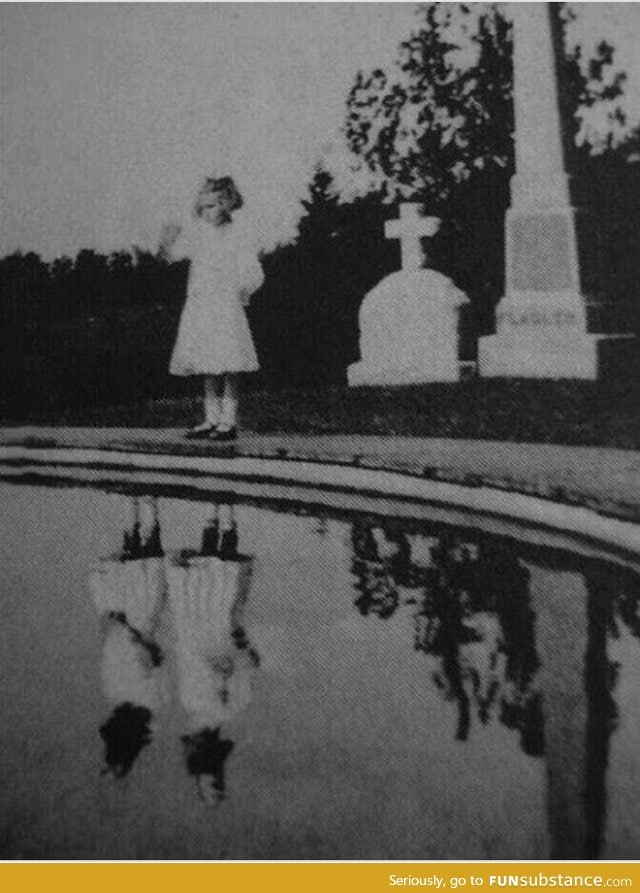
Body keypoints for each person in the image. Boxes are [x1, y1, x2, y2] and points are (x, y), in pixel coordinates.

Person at [159, 176, 264, 441]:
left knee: (229, 364)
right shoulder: (199, 235)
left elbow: (252, 268)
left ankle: (229, 421)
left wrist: (245, 287)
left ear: (226, 204)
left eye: (212, 206)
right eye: (203, 207)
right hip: (202, 304)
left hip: (225, 304)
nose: (206, 212)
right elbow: (171, 257)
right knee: (208, 363)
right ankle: (211, 419)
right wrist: (166, 242)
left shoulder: (237, 233)